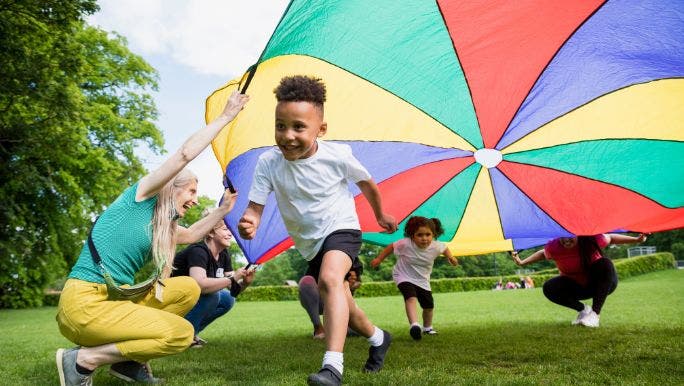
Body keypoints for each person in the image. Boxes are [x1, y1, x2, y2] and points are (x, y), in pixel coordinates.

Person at [55, 91, 249, 386]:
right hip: (83, 305)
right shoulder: (140, 198)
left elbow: (195, 233)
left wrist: (223, 209)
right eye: (191, 192)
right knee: (181, 334)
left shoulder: (164, 227)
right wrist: (226, 117)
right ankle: (82, 360)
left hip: (114, 300)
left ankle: (128, 364)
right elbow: (185, 154)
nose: (195, 200)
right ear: (172, 188)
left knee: (185, 288)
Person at [237, 75, 397, 386]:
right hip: (310, 243)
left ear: (320, 129)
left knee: (329, 279)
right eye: (280, 126)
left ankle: (332, 367)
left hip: (342, 228)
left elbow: (366, 183)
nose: (288, 135)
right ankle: (379, 338)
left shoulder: (337, 155)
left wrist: (380, 214)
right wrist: (249, 223)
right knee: (344, 304)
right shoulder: (268, 162)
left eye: (299, 127)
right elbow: (254, 208)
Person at [512, 233, 647, 327]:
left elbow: (610, 238)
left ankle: (595, 315)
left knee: (605, 263)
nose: (566, 240)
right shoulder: (554, 247)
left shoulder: (592, 239)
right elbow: (543, 253)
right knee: (549, 287)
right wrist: (523, 262)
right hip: (576, 287)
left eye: (570, 236)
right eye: (562, 237)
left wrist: (636, 240)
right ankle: (583, 310)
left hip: (599, 284)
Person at [172, 213, 256, 347]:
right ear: (210, 232)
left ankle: (191, 334)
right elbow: (199, 284)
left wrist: (245, 282)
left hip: (190, 298)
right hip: (171, 299)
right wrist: (233, 277)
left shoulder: (223, 254)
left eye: (231, 230)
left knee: (228, 299)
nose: (230, 234)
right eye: (225, 229)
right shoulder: (198, 251)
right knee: (212, 296)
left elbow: (232, 290)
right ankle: (180, 335)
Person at [370, 216, 458, 340]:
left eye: (428, 235)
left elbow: (445, 248)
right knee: (410, 297)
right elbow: (391, 246)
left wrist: (451, 258)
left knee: (428, 306)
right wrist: (379, 259)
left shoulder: (436, 246)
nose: (424, 238)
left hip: (422, 280)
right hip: (403, 275)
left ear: (433, 235)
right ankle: (414, 325)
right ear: (412, 235)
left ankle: (427, 328)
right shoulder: (405, 243)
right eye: (420, 235)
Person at [299, 262, 363, 340]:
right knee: (306, 281)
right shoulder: (316, 259)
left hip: (339, 301)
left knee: (357, 329)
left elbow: (356, 284)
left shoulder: (353, 260)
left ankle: (343, 328)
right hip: (320, 300)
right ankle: (318, 328)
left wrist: (351, 285)